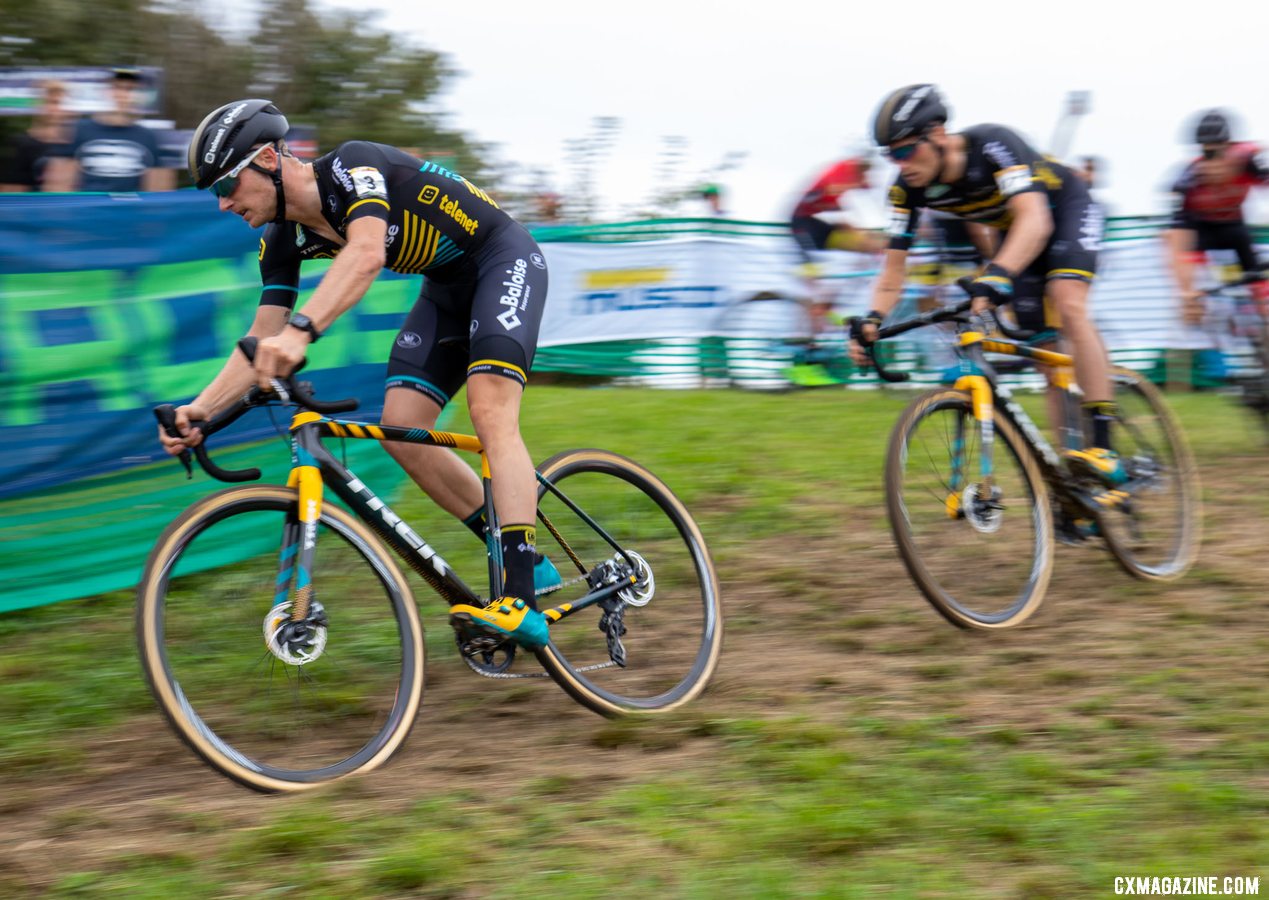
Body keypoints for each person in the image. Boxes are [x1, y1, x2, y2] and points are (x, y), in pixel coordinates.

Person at [158, 99, 558, 649]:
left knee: (491, 413)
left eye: (227, 185)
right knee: (404, 426)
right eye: (214, 193)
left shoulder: (353, 168)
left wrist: (300, 333)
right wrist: (200, 410)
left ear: (269, 160)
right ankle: (524, 556)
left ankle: (520, 598)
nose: (224, 203)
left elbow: (366, 254)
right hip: (445, 290)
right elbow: (259, 336)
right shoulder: (279, 239)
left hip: (502, 260)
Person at [850, 84, 1124, 487]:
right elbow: (893, 270)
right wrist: (872, 318)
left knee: (1068, 303)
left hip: (1063, 210)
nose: (900, 163)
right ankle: (1074, 481)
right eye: (891, 154)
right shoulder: (906, 191)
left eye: (907, 149)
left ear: (938, 134)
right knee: (1048, 360)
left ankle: (1104, 446)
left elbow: (1035, 219)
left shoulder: (993, 145)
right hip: (1015, 233)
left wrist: (997, 273)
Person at [786, 156, 889, 386]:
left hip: (816, 225)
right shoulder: (842, 175)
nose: (868, 182)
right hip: (802, 226)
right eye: (866, 177)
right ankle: (803, 362)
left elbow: (851, 224)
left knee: (864, 249)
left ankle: (828, 307)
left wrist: (874, 246)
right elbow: (845, 217)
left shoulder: (851, 177)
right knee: (815, 294)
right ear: (860, 172)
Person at [1164, 109, 1269, 328]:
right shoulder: (1191, 178)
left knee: (1263, 296)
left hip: (1235, 228)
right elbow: (1176, 239)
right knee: (1191, 307)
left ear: (1230, 147)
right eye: (1206, 154)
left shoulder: (1248, 160)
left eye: (1216, 154)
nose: (1211, 164)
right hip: (1201, 231)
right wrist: (1185, 291)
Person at [44, 68, 173, 193]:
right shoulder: (76, 130)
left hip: (131, 212)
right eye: (116, 87)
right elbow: (58, 187)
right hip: (88, 212)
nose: (122, 95)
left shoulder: (148, 137)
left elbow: (157, 194)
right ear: (104, 92)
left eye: (130, 89)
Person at [0, 79, 74, 192]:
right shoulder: (19, 144)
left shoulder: (77, 142)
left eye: (60, 103)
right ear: (35, 105)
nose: (54, 109)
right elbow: (11, 194)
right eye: (49, 102)